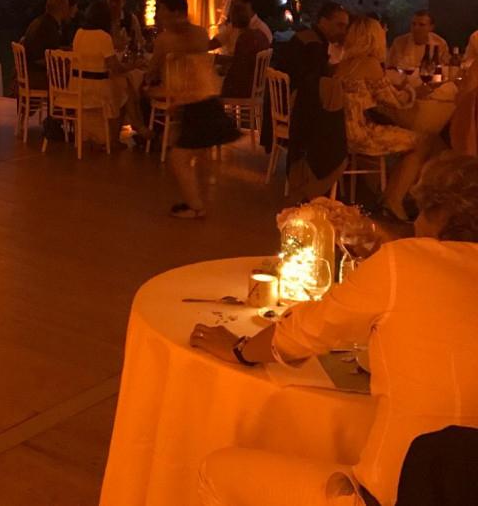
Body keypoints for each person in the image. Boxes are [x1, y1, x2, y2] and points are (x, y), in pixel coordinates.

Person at [192, 153, 478, 506]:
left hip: (397, 494)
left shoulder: (402, 263)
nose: (416, 222)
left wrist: (240, 349)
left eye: (421, 212)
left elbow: (302, 334)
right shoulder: (410, 260)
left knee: (216, 470)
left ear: (441, 214)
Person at [336, 16, 440, 220]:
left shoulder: (344, 64)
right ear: (374, 38)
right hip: (361, 134)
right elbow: (394, 101)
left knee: (411, 138)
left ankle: (389, 195)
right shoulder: (370, 64)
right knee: (424, 141)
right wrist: (414, 91)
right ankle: (395, 199)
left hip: (341, 132)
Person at [148, 0, 239, 219]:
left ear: (175, 13)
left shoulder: (167, 39)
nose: (159, 15)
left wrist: (151, 84)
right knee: (190, 155)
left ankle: (196, 206)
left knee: (179, 159)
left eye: (162, 11)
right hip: (203, 100)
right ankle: (195, 202)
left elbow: (155, 67)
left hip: (198, 103)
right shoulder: (197, 33)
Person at [275, 2, 350, 199]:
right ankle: (324, 177)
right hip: (298, 107)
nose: (343, 31)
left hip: (284, 105)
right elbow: (314, 85)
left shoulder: (306, 38)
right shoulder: (313, 45)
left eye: (346, 26)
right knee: (335, 124)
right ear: (323, 22)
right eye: (339, 25)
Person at [73, 1, 137, 145]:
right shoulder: (103, 37)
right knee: (124, 88)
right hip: (97, 88)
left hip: (78, 86)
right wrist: (133, 66)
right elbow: (114, 67)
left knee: (124, 84)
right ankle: (116, 137)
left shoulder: (79, 33)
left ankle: (136, 127)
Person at [218, 1, 271, 99]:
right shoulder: (260, 35)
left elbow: (238, 67)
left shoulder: (244, 40)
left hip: (244, 88)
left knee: (212, 89)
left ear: (233, 21)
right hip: (258, 86)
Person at [22, 0, 72, 88]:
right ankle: (63, 101)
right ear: (63, 9)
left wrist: (66, 49)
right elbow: (50, 56)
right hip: (38, 76)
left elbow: (47, 48)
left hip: (29, 71)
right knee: (71, 78)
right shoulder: (49, 27)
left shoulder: (39, 21)